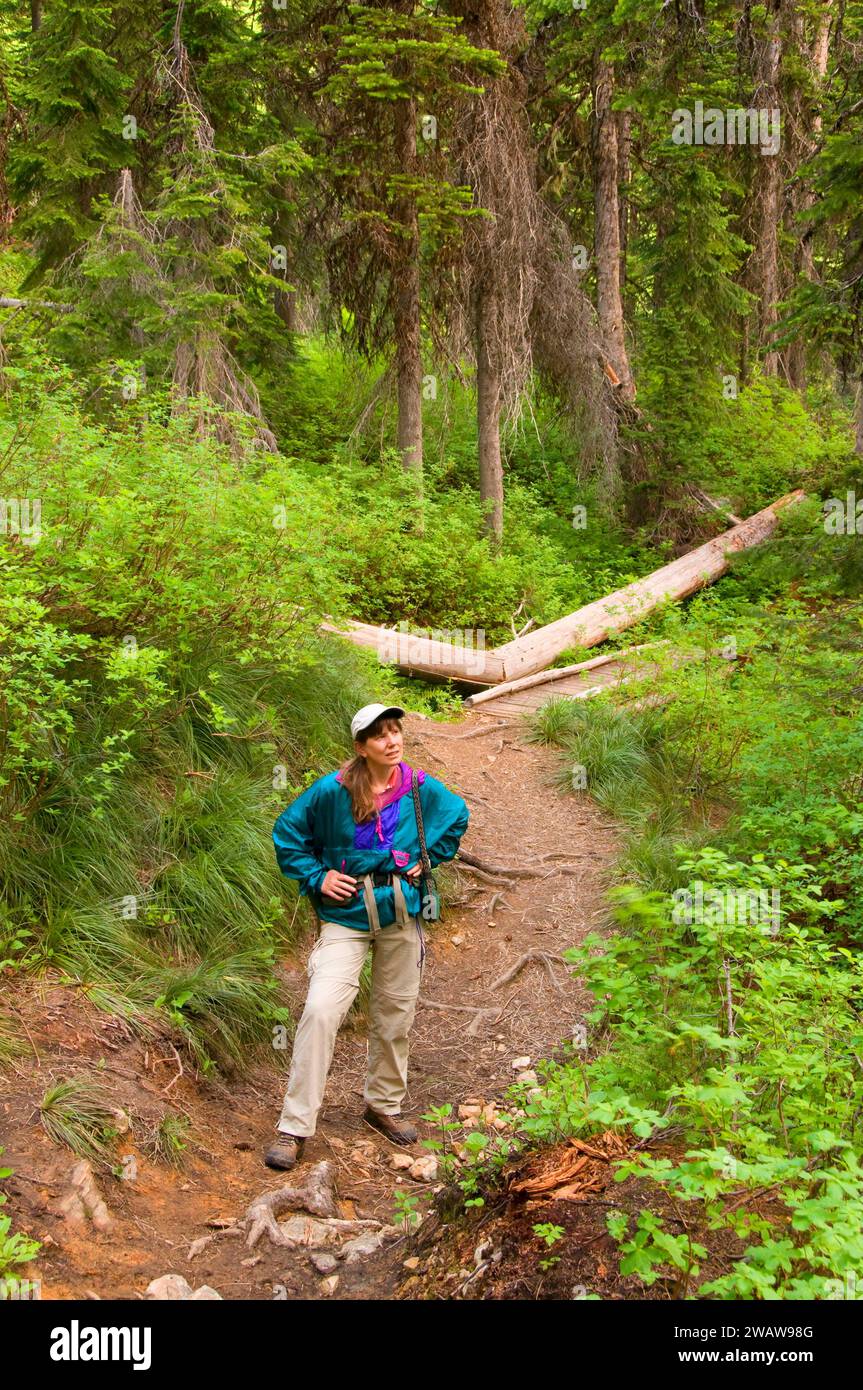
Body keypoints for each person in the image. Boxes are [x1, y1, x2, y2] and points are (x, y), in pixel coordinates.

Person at [264, 702, 470, 1170]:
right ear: (361, 747)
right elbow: (287, 834)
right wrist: (317, 877)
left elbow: (458, 816)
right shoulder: (331, 792)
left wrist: (428, 857)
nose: (392, 741)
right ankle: (294, 1127)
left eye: (395, 731)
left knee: (395, 1012)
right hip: (346, 915)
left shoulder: (419, 788)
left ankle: (383, 1106)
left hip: (400, 912)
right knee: (320, 1009)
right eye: (380, 736)